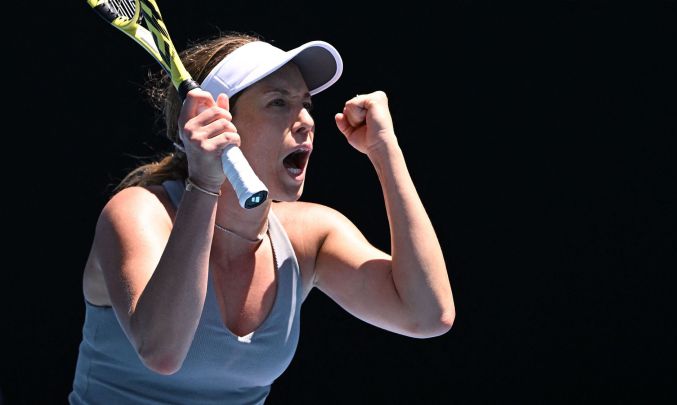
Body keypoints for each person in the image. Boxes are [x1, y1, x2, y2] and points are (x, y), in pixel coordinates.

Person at [69, 32, 454, 404]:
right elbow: (163, 353)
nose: (306, 120)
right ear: (218, 122)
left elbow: (428, 315)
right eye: (278, 103)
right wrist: (205, 181)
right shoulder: (138, 213)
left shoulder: (311, 235)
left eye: (306, 103)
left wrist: (386, 151)